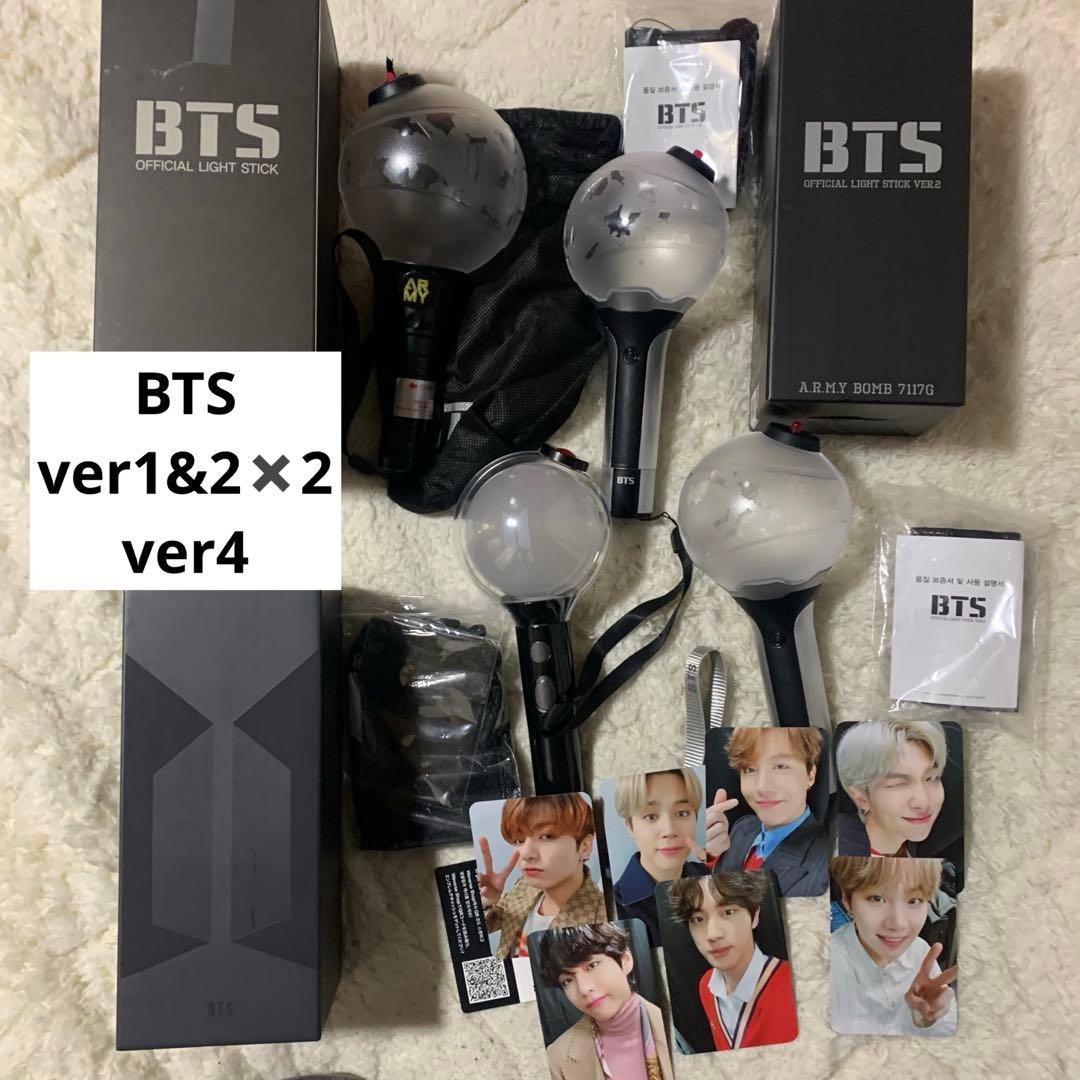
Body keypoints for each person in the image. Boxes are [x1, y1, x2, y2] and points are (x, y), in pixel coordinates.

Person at [667, 870, 797, 1051]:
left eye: (728, 912)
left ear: (754, 916)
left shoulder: (794, 984)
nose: (713, 934)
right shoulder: (706, 985)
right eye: (698, 919)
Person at [829, 856, 958, 1036]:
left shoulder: (921, 952)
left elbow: (948, 1032)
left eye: (914, 901)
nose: (898, 924)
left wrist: (926, 1019)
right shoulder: (823, 965)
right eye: (876, 898)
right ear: (847, 899)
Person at [537, 923, 674, 1080]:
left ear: (625, 960)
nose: (583, 989)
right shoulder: (556, 1058)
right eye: (567, 981)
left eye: (592, 966)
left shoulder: (675, 1024)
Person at [477, 794, 606, 960]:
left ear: (585, 846)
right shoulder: (523, 887)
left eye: (546, 836)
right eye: (519, 840)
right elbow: (485, 926)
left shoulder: (601, 916)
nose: (526, 854)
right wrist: (487, 902)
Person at [706, 727, 829, 896]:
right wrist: (710, 858)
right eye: (750, 769)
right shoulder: (743, 826)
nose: (762, 787)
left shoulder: (824, 867)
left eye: (780, 766)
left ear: (810, 775)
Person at [612, 768, 709, 946]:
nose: (669, 830)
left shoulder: (711, 875)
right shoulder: (613, 911)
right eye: (650, 816)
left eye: (682, 813)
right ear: (630, 826)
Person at [835, 718, 947, 857]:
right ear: (860, 798)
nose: (924, 802)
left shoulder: (909, 845)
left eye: (932, 778)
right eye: (899, 784)